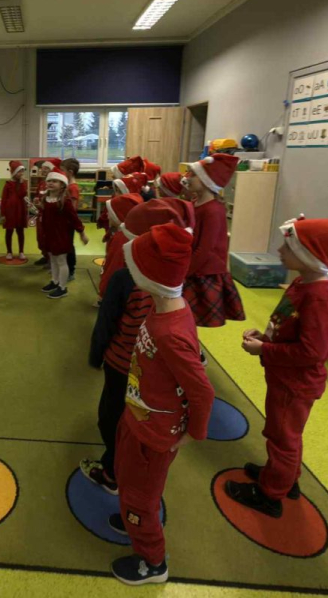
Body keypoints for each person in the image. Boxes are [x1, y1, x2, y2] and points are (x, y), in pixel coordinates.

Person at [226, 217, 328, 517]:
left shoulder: (320, 297)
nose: (280, 251)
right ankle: (285, 478)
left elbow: (312, 351)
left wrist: (264, 349)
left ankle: (270, 494)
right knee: (285, 434)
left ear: (309, 256)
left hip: (295, 384)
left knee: (283, 438)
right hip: (284, 376)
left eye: (288, 248)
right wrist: (265, 337)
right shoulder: (304, 282)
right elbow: (290, 326)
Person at [108, 221, 215, 586]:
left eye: (134, 266)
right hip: (137, 417)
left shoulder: (170, 331)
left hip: (154, 436)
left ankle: (152, 562)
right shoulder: (165, 308)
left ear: (149, 277)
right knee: (126, 480)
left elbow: (202, 390)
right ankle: (131, 517)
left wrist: (193, 433)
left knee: (142, 498)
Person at [81, 199, 196, 501]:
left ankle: (112, 471)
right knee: (134, 420)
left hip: (122, 366)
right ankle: (125, 466)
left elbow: (106, 322)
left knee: (111, 417)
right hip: (152, 374)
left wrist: (96, 354)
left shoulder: (123, 278)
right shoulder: (176, 278)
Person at [181, 153, 245, 327]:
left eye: (193, 174)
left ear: (206, 180)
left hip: (202, 272)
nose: (187, 178)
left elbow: (205, 249)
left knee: (190, 318)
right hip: (192, 267)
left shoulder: (213, 210)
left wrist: (183, 273)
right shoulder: (195, 203)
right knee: (185, 318)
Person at [38, 169, 88, 299]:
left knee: (61, 260)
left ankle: (62, 287)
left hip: (61, 236)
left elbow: (74, 218)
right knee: (53, 259)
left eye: (54, 181)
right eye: (49, 180)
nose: (50, 183)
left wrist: (82, 233)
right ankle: (55, 281)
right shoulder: (46, 199)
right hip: (49, 235)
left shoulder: (65, 201)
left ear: (62, 185)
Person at [97, 193, 144, 302]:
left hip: (117, 293)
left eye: (110, 212)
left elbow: (113, 268)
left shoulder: (120, 239)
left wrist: (103, 291)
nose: (107, 215)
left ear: (119, 216)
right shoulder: (131, 234)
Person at [33, 158, 61, 266]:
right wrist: (36, 200)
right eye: (42, 168)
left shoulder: (55, 185)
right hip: (40, 215)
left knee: (49, 238)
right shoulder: (41, 183)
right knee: (40, 237)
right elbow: (37, 195)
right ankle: (45, 256)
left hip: (50, 216)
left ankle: (51, 260)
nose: (43, 170)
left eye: (46, 168)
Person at [1, 160, 28, 261]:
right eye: (19, 171)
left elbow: (23, 194)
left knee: (20, 231)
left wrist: (21, 184)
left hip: (20, 210)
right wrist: (3, 213)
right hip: (10, 212)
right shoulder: (8, 184)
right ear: (14, 172)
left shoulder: (23, 183)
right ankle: (9, 251)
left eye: (22, 171)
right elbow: (4, 199)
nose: (21, 173)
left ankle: (21, 251)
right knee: (9, 231)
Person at [61, 158, 81, 281]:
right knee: (64, 245)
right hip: (64, 222)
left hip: (68, 222)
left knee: (68, 246)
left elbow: (72, 209)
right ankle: (64, 268)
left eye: (63, 170)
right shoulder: (68, 186)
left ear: (70, 172)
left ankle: (71, 271)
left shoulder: (73, 188)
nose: (61, 173)